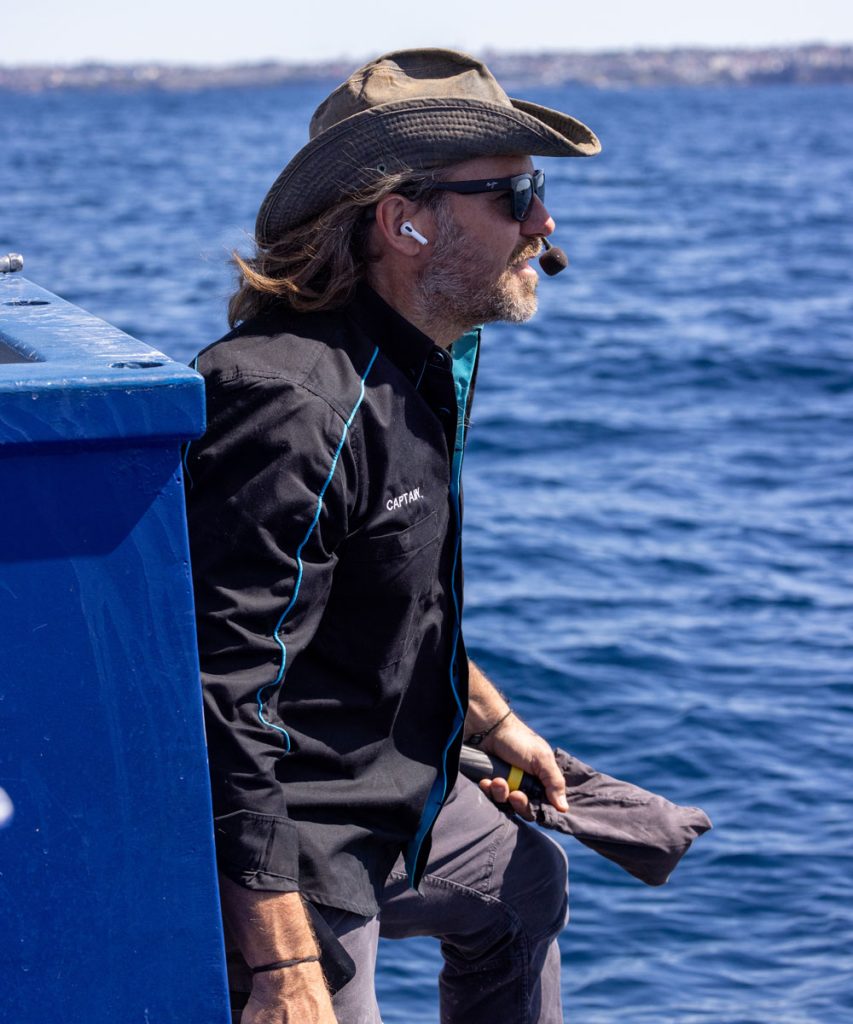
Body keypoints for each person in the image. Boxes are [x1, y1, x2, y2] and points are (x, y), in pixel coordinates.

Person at [184, 48, 600, 1024]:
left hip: (391, 781)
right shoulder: (289, 402)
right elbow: (220, 692)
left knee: (522, 881)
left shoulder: (419, 363)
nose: (544, 224)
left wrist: (490, 720)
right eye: (515, 194)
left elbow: (393, 585)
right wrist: (284, 969)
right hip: (298, 841)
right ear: (403, 219)